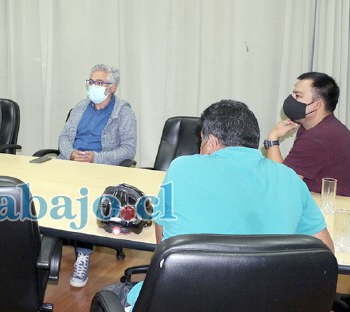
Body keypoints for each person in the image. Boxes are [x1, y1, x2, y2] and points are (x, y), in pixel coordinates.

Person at [105, 100, 334, 310]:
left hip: (185, 301)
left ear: (211, 140)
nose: (199, 149)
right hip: (267, 302)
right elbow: (325, 253)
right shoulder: (290, 178)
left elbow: (164, 248)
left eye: (201, 141)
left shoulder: (182, 168)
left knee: (112, 293)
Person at [58, 64, 137, 288]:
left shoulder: (124, 112)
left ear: (111, 87)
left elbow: (128, 150)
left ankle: (82, 255)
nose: (93, 86)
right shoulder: (80, 107)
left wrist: (96, 158)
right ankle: (46, 250)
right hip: (71, 163)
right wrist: (70, 153)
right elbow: (63, 137)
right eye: (91, 82)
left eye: (99, 83)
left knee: (85, 199)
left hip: (101, 168)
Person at [265, 72, 350, 196]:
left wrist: (272, 139)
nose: (291, 99)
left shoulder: (319, 137)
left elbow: (280, 183)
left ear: (316, 105)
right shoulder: (315, 128)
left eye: (298, 95)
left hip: (333, 209)